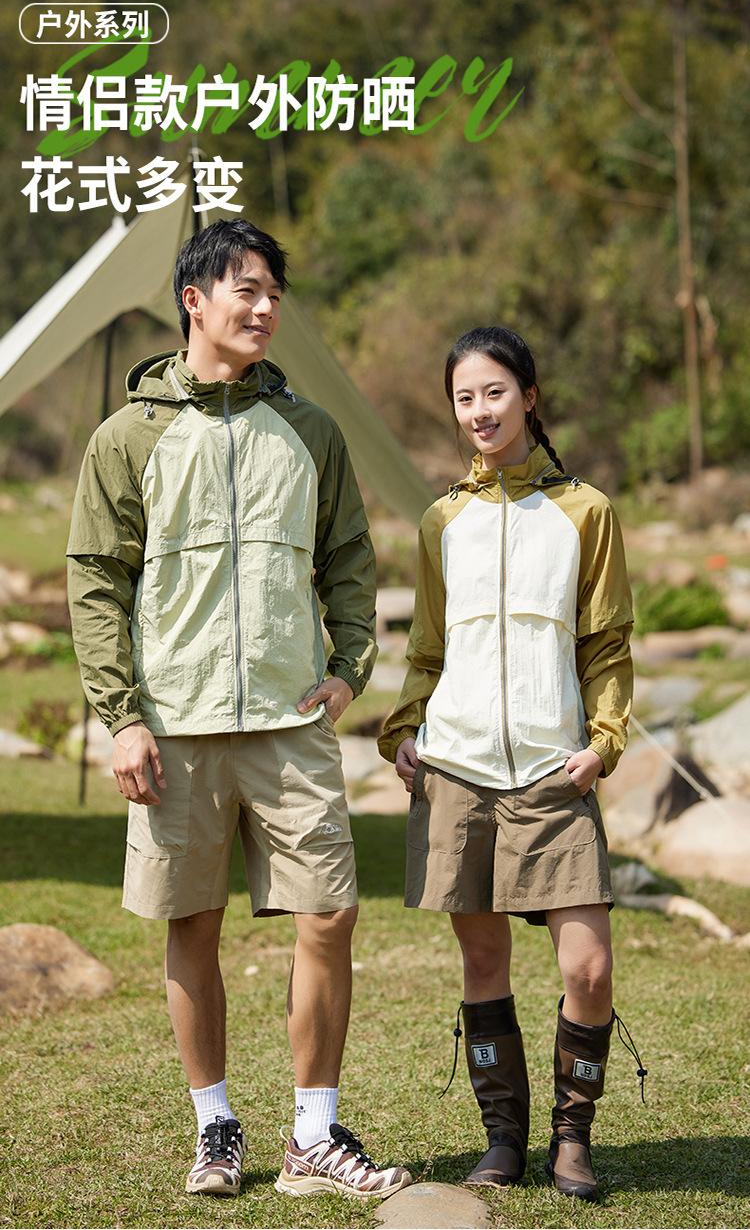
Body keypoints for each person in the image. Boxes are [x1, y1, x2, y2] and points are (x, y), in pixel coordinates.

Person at [67, 218, 411, 1201]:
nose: (264, 309)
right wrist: (122, 715)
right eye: (246, 290)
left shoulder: (311, 431)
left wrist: (348, 667)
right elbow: (95, 581)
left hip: (290, 722)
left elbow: (348, 559)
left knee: (330, 914)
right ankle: (214, 1125)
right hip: (172, 725)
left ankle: (315, 1133)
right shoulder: (127, 437)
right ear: (195, 299)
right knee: (192, 925)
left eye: (273, 295)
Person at [378, 326, 645, 1202]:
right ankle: (502, 1137)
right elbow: (428, 648)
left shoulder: (585, 511)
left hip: (553, 770)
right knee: (483, 960)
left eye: (494, 392)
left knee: (588, 967)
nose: (480, 411)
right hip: (457, 769)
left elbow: (606, 645)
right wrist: (405, 729)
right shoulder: (442, 520)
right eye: (465, 397)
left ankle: (574, 1136)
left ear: (529, 396)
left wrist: (602, 743)